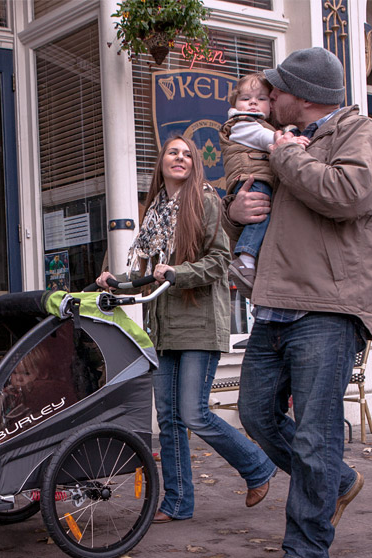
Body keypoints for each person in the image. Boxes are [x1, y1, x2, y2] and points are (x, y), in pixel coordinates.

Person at [222, 47, 372, 558]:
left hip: (328, 305)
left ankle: (307, 552)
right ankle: (338, 483)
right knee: (255, 414)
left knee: (315, 436)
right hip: (276, 301)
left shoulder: (362, 134)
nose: (267, 97)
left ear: (300, 95)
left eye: (275, 90)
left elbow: (345, 195)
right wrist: (236, 216)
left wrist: (283, 154)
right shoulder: (289, 144)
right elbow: (273, 220)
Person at [97, 135, 276, 523]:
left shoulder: (206, 202)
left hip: (199, 323)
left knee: (193, 413)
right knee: (170, 419)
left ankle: (258, 465)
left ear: (195, 164)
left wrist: (178, 273)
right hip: (163, 326)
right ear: (161, 162)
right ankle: (178, 503)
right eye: (172, 153)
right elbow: (147, 274)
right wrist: (117, 282)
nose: (180, 158)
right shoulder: (154, 213)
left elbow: (219, 262)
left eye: (187, 154)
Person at [219, 73, 307, 298]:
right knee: (261, 213)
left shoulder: (264, 123)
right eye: (245, 98)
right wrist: (286, 141)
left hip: (258, 175)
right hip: (252, 178)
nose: (252, 103)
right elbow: (261, 137)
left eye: (261, 99)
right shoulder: (241, 123)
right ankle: (245, 258)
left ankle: (250, 261)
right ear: (234, 103)